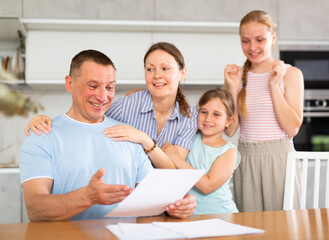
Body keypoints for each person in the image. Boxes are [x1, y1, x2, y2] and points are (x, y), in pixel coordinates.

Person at [20, 49, 196, 222]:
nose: (102, 96)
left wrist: (178, 204)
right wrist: (87, 197)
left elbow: (152, 201)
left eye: (110, 87)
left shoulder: (128, 135)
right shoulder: (42, 134)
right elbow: (35, 209)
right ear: (69, 83)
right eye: (93, 86)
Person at [24, 42, 198, 169]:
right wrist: (46, 121)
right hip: (125, 196)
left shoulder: (189, 116)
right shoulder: (128, 104)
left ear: (182, 73)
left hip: (166, 199)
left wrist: (142, 138)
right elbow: (90, 119)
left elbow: (173, 170)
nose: (157, 75)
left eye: (165, 69)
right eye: (150, 69)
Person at [224, 10, 304, 212]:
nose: (252, 47)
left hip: (280, 159)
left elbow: (292, 128)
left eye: (259, 40)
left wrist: (274, 86)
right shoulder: (237, 77)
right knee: (251, 228)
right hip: (246, 159)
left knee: (285, 228)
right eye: (245, 41)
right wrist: (232, 89)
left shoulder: (290, 74)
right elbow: (230, 130)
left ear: (273, 39)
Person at [162, 88, 241, 214]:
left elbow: (207, 186)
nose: (208, 119)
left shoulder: (228, 152)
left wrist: (176, 158)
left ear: (228, 121)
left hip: (221, 215)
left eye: (216, 114)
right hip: (188, 216)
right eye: (204, 112)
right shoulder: (188, 139)